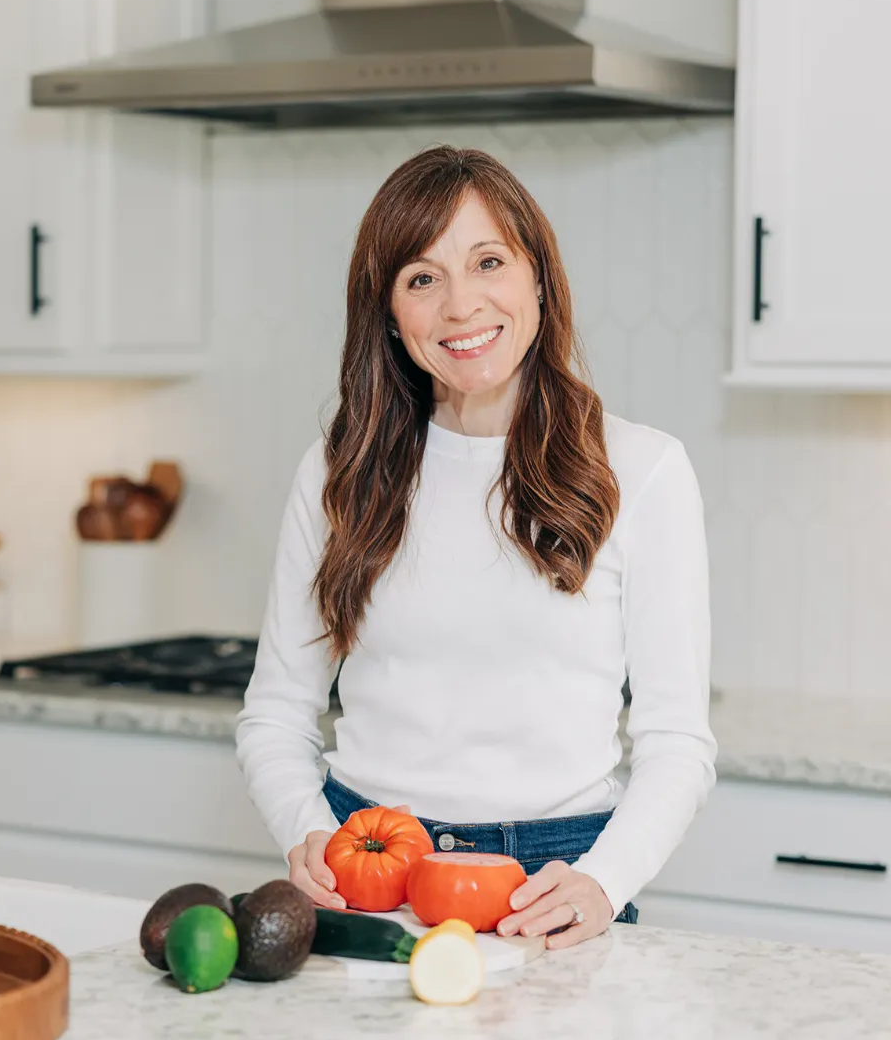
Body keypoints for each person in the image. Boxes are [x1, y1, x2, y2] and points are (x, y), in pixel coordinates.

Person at [237, 145, 714, 946]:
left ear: (538, 279)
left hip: (557, 888)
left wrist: (604, 882)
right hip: (369, 878)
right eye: (422, 278)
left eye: (488, 261)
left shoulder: (643, 469)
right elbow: (276, 716)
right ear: (390, 311)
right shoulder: (339, 471)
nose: (461, 305)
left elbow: (678, 742)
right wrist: (306, 833)